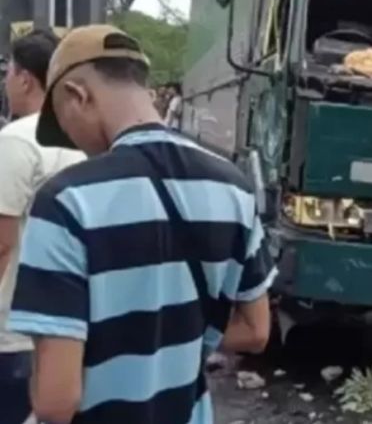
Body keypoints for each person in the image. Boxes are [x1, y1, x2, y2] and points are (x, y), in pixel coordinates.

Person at [7, 25, 277, 424]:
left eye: (63, 123)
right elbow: (256, 331)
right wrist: (169, 339)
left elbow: (55, 402)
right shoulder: (233, 186)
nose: (72, 141)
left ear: (77, 95)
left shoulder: (66, 201)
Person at [0, 30, 85, 424]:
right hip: (65, 327)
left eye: (8, 72)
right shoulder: (81, 137)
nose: (5, 82)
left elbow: (2, 241)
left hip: (10, 331)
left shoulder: (17, 140)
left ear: (24, 78)